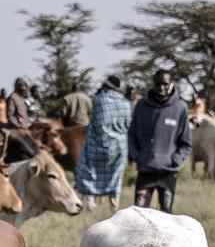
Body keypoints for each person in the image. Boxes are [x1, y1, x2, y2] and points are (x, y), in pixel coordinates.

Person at [127, 69, 193, 211]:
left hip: (168, 173)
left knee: (166, 214)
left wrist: (175, 159)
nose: (161, 88)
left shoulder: (180, 108)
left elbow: (186, 143)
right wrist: (137, 156)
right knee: (139, 213)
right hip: (145, 171)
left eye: (165, 84)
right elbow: (131, 135)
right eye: (158, 84)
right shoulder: (142, 106)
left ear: (171, 84)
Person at [76, 75, 131, 205]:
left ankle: (90, 199)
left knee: (88, 169)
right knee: (116, 173)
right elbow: (128, 125)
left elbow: (95, 122)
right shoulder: (126, 103)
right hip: (119, 146)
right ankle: (114, 199)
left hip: (98, 144)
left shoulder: (100, 100)